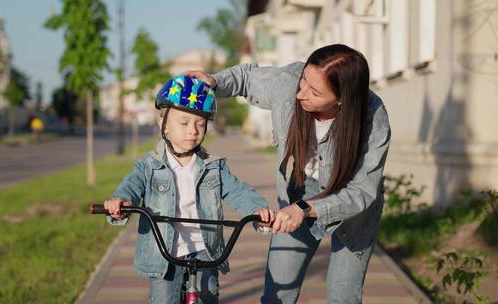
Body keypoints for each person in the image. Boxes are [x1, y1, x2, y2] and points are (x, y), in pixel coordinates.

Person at [186, 44, 391, 303]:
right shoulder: (288, 84)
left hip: (352, 211)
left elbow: (361, 190)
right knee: (276, 297)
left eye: (314, 92)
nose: (300, 94)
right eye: (304, 79)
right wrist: (215, 81)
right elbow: (247, 78)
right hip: (300, 193)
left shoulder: (373, 119)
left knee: (343, 296)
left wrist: (305, 209)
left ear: (341, 99)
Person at [103, 75, 275, 304]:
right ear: (162, 124)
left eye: (200, 124)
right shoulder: (149, 165)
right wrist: (121, 201)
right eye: (183, 123)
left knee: (208, 295)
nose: (192, 131)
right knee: (164, 299)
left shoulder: (214, 166)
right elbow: (132, 184)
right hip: (164, 253)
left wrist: (258, 210)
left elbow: (237, 190)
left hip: (205, 249)